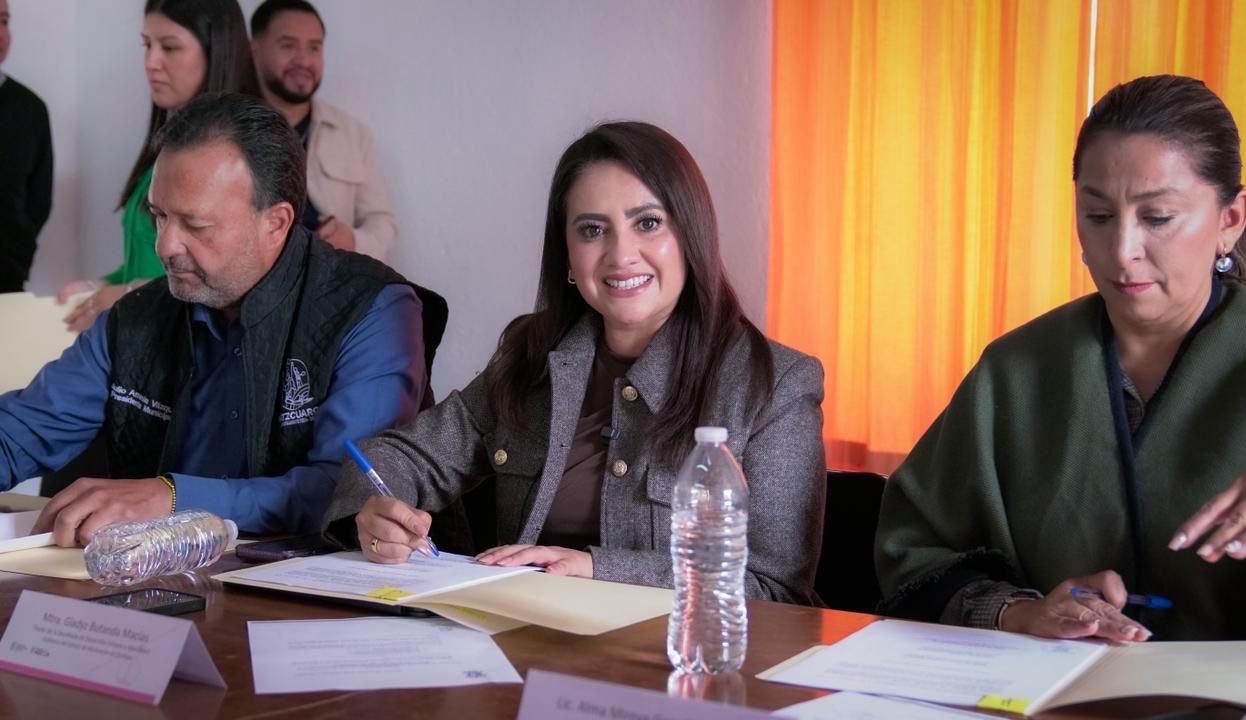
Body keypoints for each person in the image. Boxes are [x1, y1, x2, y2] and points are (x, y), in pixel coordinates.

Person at [323, 122, 826, 603]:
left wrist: (594, 568)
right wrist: (375, 510)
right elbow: (399, 456)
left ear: (690, 235)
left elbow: (773, 590)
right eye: (592, 230)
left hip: (672, 657)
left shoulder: (776, 385)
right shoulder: (531, 353)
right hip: (514, 644)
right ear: (567, 255)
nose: (621, 255)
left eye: (648, 223)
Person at [875, 75, 1246, 641]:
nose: (1122, 251)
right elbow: (913, 549)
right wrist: (1018, 611)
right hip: (1054, 683)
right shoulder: (1015, 371)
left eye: (1158, 217)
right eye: (1098, 215)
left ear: (1230, 220)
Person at [0, 92, 426, 546]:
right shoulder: (137, 318)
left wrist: (172, 498)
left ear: (276, 223)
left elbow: (347, 491)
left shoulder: (369, 309)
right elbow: (21, 431)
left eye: (195, 225)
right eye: (159, 216)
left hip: (306, 581)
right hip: (151, 575)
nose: (165, 246)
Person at [58, 0, 260, 332]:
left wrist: (127, 294)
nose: (151, 62)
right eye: (146, 45)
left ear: (217, 50)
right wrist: (99, 287)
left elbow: (231, 283)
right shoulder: (170, 146)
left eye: (169, 47)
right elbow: (148, 262)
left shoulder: (243, 156)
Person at [250, 0, 396, 260]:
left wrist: (352, 240)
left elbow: (381, 223)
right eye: (288, 45)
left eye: (314, 47)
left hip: (332, 278)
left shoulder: (353, 134)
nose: (303, 60)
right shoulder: (224, 128)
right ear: (255, 49)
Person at [0, 0, 54, 293]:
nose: (1, 33)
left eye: (4, 21)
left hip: (6, 278)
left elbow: (39, 200)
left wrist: (17, 251)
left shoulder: (30, 109)